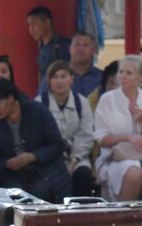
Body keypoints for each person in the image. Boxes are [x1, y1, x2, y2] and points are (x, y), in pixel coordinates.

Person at [0, 77, 71, 203]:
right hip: (11, 174)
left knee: (41, 192)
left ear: (11, 99)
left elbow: (57, 145)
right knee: (15, 195)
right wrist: (6, 163)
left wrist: (34, 156)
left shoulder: (38, 111)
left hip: (44, 170)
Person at [94, 54, 142, 202]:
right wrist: (128, 137)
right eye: (121, 72)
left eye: (128, 73)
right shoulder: (107, 99)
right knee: (133, 171)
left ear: (141, 77)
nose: (123, 76)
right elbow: (102, 139)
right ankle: (126, 221)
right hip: (115, 157)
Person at [38, 60, 98, 197]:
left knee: (83, 175)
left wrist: (74, 160)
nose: (59, 81)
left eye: (63, 76)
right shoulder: (39, 103)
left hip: (77, 157)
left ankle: (83, 214)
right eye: (55, 77)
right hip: (49, 159)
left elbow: (86, 135)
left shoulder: (82, 103)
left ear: (72, 79)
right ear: (49, 81)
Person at [27, 6, 70, 94]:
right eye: (29, 25)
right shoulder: (41, 46)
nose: (31, 29)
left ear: (47, 22)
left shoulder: (61, 46)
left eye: (34, 24)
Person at [67, 31, 105, 99]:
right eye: (77, 44)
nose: (80, 48)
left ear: (94, 50)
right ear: (70, 49)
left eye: (85, 45)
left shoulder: (102, 78)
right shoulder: (55, 76)